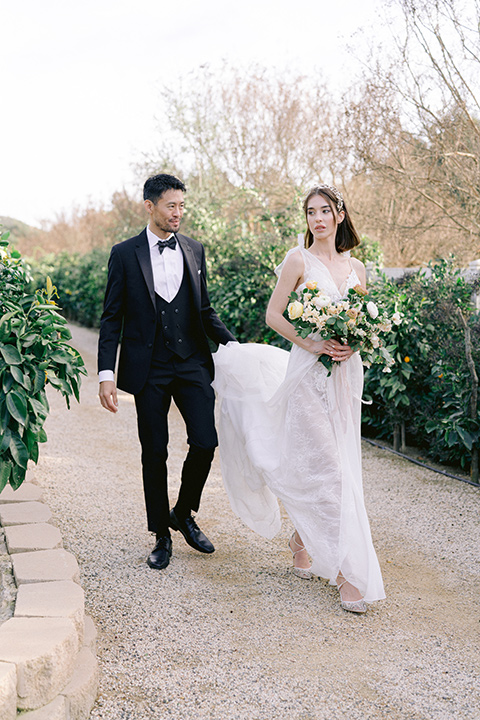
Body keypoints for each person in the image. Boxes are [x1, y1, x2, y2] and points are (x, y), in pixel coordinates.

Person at [212, 185, 385, 613]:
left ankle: (301, 539)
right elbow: (274, 314)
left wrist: (352, 346)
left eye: (325, 211)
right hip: (308, 375)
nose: (318, 219)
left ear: (341, 215)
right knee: (330, 471)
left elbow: (361, 326)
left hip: (345, 376)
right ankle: (346, 572)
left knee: (341, 465)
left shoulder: (359, 268)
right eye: (311, 212)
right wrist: (312, 346)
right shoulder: (297, 260)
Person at [97, 173, 236, 570]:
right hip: (149, 367)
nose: (178, 213)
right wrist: (106, 374)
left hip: (191, 362)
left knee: (206, 441)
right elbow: (111, 319)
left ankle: (184, 512)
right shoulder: (124, 253)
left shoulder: (194, 249)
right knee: (154, 452)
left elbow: (204, 310)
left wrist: (235, 346)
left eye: (181, 206)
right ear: (150, 206)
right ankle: (160, 533)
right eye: (171, 205)